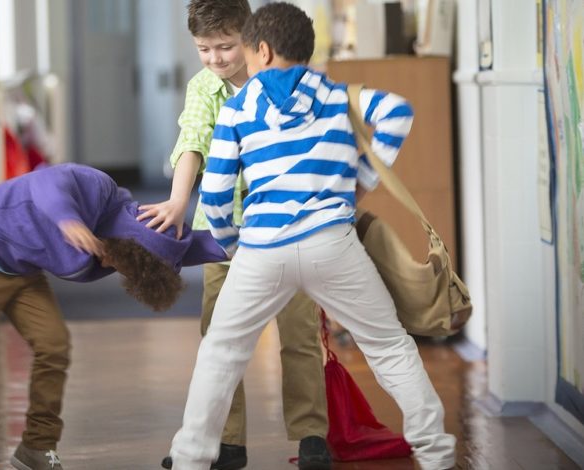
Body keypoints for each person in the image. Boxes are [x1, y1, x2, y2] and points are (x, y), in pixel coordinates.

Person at [168, 3, 457, 470]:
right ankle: (438, 454)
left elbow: (218, 191)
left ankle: (190, 458)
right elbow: (398, 112)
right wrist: (360, 181)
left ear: (259, 50)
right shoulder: (338, 94)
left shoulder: (239, 108)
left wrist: (234, 244)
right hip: (333, 243)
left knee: (221, 352)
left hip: (261, 248)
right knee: (387, 346)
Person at [0, 163, 227, 470]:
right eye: (114, 257)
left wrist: (256, 240)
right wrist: (68, 219)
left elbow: (195, 246)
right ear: (126, 239)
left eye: (119, 268)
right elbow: (47, 181)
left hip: (19, 269)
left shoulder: (142, 249)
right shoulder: (99, 190)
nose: (106, 264)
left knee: (54, 346)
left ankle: (36, 447)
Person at [137, 2, 330, 468]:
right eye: (204, 49)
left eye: (225, 46)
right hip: (224, 238)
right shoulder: (204, 87)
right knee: (219, 338)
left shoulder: (289, 80)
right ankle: (227, 441)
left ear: (251, 38)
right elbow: (192, 141)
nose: (216, 58)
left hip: (290, 230)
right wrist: (180, 199)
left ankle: (311, 435)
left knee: (299, 334)